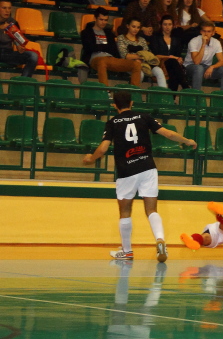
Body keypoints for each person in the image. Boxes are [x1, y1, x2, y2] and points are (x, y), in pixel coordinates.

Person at [82, 90, 197, 261]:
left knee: (125, 212)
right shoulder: (144, 117)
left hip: (126, 172)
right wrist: (188, 141)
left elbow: (103, 148)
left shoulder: (112, 123)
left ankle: (127, 251)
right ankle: (160, 239)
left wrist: (90, 159)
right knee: (151, 210)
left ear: (114, 105)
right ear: (131, 103)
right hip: (147, 168)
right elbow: (168, 133)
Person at [80, 8, 140, 86]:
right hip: (95, 59)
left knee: (136, 65)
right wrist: (106, 46)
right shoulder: (86, 32)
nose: (103, 22)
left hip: (110, 58)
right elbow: (90, 48)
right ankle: (105, 90)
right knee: (102, 61)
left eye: (105, 20)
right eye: (101, 19)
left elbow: (113, 48)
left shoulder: (109, 33)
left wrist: (100, 46)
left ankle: (134, 91)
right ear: (95, 18)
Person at [116, 18, 167, 88]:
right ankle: (134, 92)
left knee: (159, 70)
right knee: (140, 73)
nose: (135, 29)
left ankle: (164, 92)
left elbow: (148, 54)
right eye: (133, 27)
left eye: (138, 27)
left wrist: (140, 58)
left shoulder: (142, 40)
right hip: (128, 64)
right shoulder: (121, 38)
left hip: (144, 64)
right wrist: (141, 56)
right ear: (128, 26)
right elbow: (125, 55)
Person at [184, 22, 223, 91]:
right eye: (204, 31)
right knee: (199, 68)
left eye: (209, 31)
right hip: (190, 66)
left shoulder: (216, 42)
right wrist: (203, 44)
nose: (206, 34)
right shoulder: (194, 41)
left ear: (213, 33)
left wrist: (212, 67)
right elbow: (196, 62)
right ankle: (196, 93)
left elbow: (222, 61)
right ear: (201, 32)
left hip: (206, 67)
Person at [0, 0, 39, 77]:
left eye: (9, 8)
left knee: (33, 56)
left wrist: (19, 46)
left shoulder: (13, 22)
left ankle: (23, 81)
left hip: (7, 53)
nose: (7, 11)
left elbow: (16, 39)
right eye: (4, 8)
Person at [151, 15, 187, 91]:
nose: (167, 27)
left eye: (169, 24)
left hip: (172, 65)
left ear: (173, 26)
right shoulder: (156, 38)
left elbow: (177, 55)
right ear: (161, 25)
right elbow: (155, 55)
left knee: (173, 67)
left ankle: (172, 95)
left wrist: (179, 59)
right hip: (159, 63)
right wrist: (171, 57)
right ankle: (185, 86)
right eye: (165, 24)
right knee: (173, 63)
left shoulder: (176, 39)